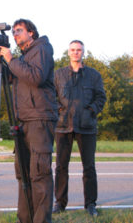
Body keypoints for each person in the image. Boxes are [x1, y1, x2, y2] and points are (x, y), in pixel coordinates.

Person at [0, 19, 58, 223]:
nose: (15, 34)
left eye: (19, 30)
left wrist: (11, 60)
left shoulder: (42, 49)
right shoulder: (22, 57)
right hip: (23, 120)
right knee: (23, 174)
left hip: (40, 119)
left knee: (39, 174)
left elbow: (36, 77)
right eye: (13, 32)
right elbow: (10, 79)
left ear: (31, 33)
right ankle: (25, 218)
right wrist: (1, 60)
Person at [52, 40, 106, 216]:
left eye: (79, 50)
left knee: (89, 167)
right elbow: (51, 97)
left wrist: (91, 111)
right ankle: (60, 203)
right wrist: (59, 110)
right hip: (63, 126)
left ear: (83, 53)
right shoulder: (58, 75)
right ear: (68, 53)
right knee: (61, 166)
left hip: (87, 126)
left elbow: (100, 97)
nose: (76, 53)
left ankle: (90, 204)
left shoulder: (93, 75)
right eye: (73, 50)